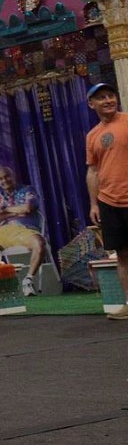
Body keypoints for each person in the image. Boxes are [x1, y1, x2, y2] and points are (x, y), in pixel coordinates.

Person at [84, 81, 128, 322]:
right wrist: (94, 204)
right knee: (122, 254)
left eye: (111, 95)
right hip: (109, 201)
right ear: (91, 104)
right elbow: (93, 171)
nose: (108, 100)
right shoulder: (92, 136)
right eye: (101, 98)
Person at [0, 166, 48, 294]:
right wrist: (14, 213)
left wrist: (6, 209)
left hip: (26, 230)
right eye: (0, 179)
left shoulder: (27, 190)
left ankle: (28, 280)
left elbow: (28, 208)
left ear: (13, 176)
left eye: (7, 176)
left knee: (40, 243)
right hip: (4, 233)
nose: (4, 180)